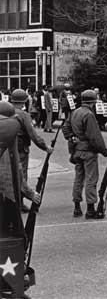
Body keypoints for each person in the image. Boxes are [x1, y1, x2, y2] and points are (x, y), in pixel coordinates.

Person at [0, 101, 42, 298]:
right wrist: (29, 193)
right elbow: (15, 172)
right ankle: (11, 285)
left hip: (8, 200)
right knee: (13, 243)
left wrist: (29, 193)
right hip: (6, 203)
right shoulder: (7, 138)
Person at [62, 89, 107, 219]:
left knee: (79, 179)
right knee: (91, 179)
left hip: (77, 151)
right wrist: (106, 153)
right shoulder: (89, 115)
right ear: (93, 102)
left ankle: (77, 207)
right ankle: (90, 209)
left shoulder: (75, 112)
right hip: (88, 151)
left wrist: (71, 137)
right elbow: (94, 137)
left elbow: (65, 127)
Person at [10, 89, 53, 212]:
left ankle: (12, 203)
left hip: (7, 149)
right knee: (21, 176)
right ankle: (20, 203)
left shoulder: (6, 112)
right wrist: (45, 147)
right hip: (21, 149)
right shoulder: (23, 115)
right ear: (24, 101)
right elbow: (33, 135)